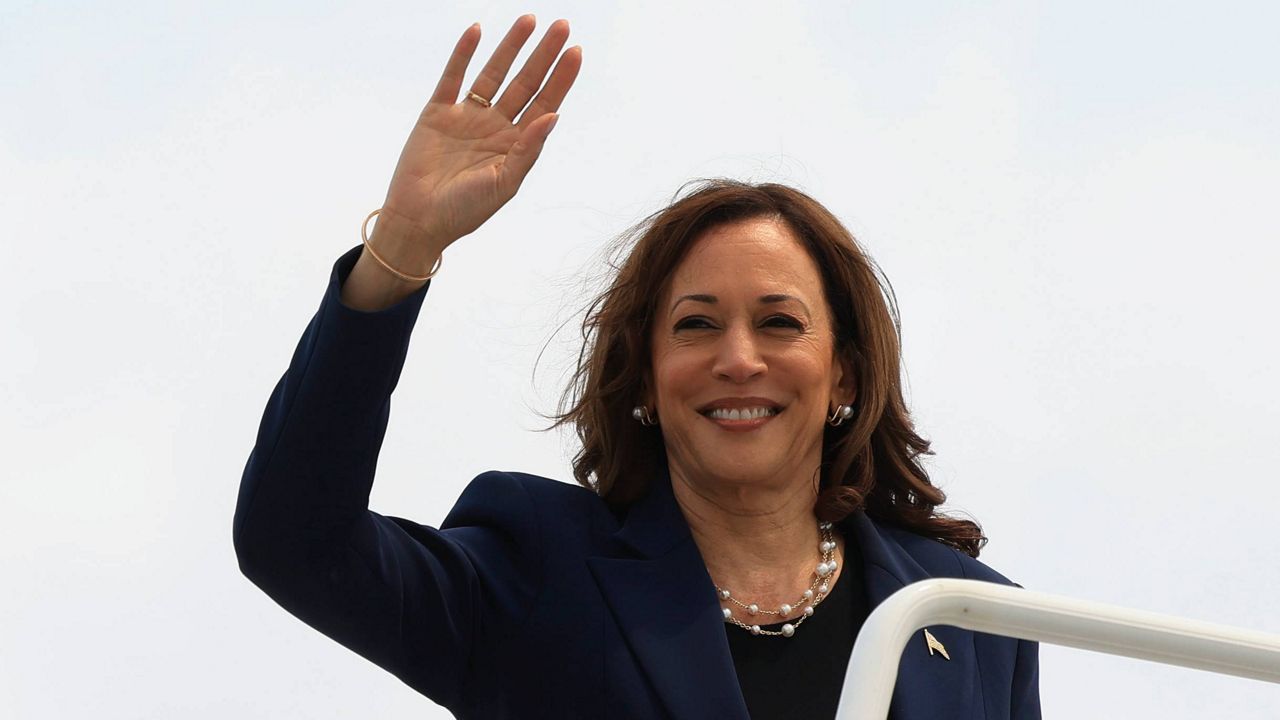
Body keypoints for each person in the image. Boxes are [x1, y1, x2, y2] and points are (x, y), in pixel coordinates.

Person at [232, 13, 1041, 720]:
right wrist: (402, 250)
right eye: (694, 326)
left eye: (779, 323)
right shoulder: (535, 569)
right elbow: (294, 543)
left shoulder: (970, 618)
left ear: (846, 378)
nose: (737, 358)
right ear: (646, 379)